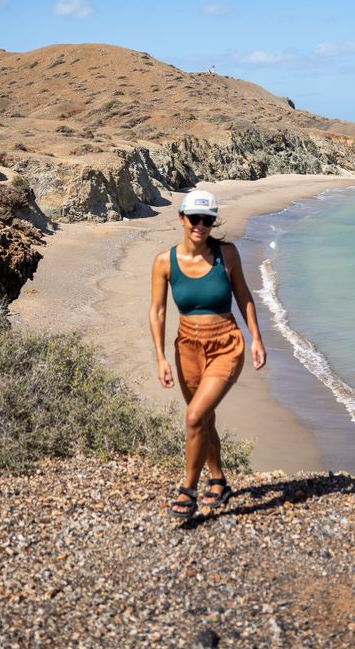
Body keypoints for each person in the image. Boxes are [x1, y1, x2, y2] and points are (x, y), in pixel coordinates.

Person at [148, 189, 266, 519]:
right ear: (182, 219)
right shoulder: (164, 262)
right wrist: (160, 357)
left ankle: (188, 490)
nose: (200, 225)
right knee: (204, 418)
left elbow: (243, 296)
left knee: (194, 417)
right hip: (186, 348)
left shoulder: (227, 254)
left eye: (208, 220)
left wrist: (256, 338)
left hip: (226, 345)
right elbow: (157, 311)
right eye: (194, 218)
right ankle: (218, 480)